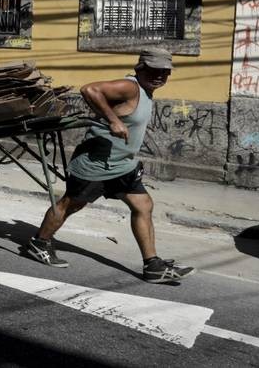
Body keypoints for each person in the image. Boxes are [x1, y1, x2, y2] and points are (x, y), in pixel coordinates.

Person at [26, 47, 195, 284]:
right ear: (141, 68)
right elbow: (90, 89)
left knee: (143, 205)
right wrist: (113, 120)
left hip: (122, 165)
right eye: (154, 70)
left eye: (165, 72)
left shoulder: (146, 91)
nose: (159, 76)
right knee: (70, 205)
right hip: (96, 163)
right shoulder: (131, 87)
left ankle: (153, 266)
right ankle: (39, 243)